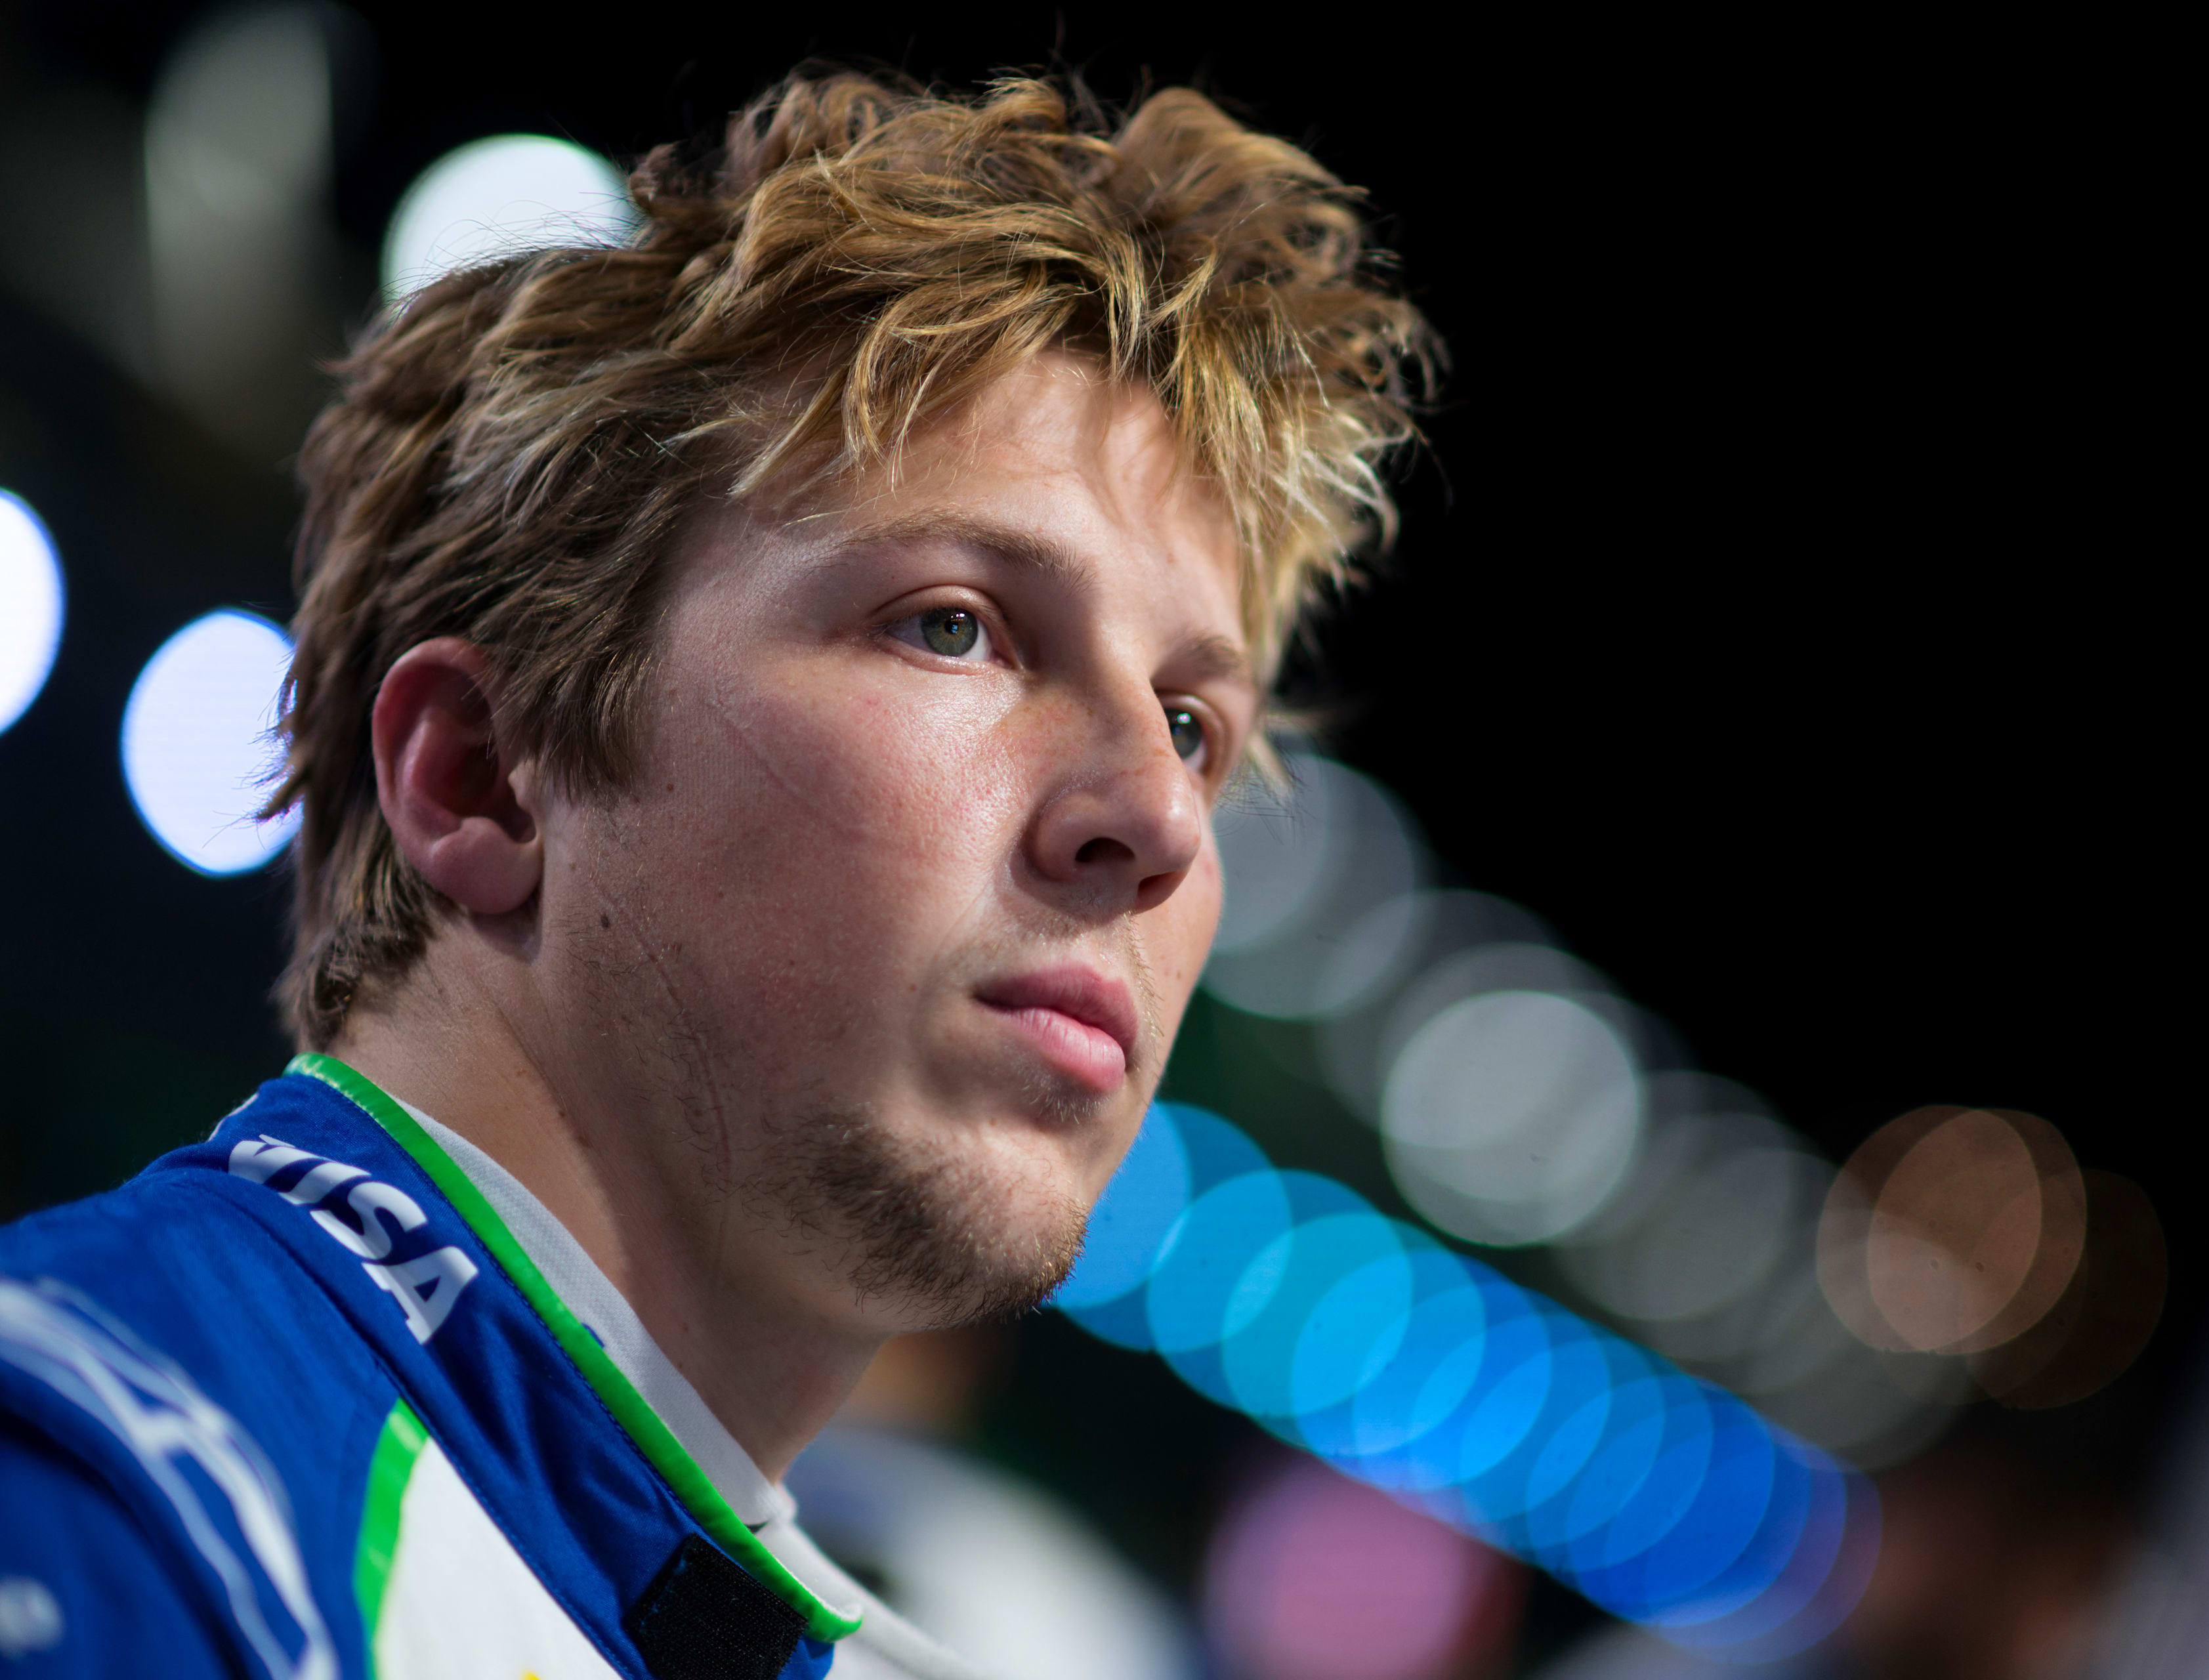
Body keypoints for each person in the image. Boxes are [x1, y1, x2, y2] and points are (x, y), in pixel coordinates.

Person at [0, 65, 1429, 1679]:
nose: (1160, 815)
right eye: (955, 625)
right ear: (482, 775)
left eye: (1190, 724)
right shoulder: (92, 1501)